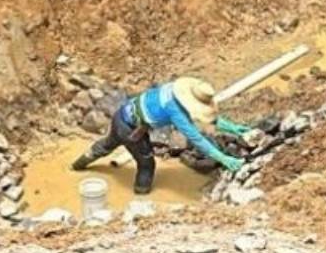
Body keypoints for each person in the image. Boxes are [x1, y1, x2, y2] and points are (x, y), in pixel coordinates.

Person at [71, 77, 244, 194]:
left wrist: (232, 127)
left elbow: (203, 116)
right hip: (131, 131)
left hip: (121, 115)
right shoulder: (174, 111)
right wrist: (222, 157)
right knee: (147, 164)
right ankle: (140, 195)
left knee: (107, 144)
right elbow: (196, 138)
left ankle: (78, 165)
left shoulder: (171, 89)